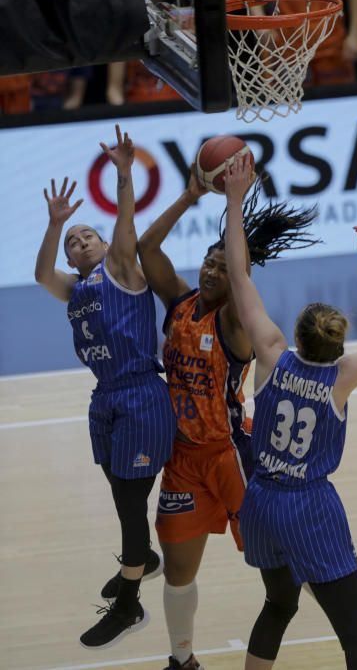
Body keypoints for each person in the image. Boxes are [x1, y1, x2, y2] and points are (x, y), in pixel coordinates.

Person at [110, 167, 318, 670]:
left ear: (236, 277)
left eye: (223, 268)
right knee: (180, 568)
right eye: (208, 262)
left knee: (284, 563)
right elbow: (147, 250)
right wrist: (187, 195)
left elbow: (239, 273)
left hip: (232, 456)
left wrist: (233, 206)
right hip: (182, 459)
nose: (210, 271)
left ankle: (350, 620)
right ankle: (182, 661)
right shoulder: (181, 305)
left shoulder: (234, 320)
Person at [224, 153, 357, 669]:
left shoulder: (270, 355)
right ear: (336, 347)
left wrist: (235, 199)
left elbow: (238, 274)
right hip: (310, 509)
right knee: (355, 632)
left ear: (298, 336)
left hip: (260, 500)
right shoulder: (342, 378)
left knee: (279, 604)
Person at [34, 125, 175, 649]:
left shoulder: (122, 267)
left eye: (84, 234)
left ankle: (129, 604)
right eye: (74, 242)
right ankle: (143, 560)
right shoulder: (72, 286)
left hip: (141, 395)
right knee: (122, 497)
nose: (79, 241)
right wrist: (55, 224)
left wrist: (122, 173)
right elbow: (42, 272)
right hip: (107, 400)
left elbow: (125, 220)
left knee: (129, 504)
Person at [249, 0, 357, 86]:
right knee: (287, 101)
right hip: (287, 48)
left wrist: (355, 34)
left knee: (341, 100)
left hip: (332, 44)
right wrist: (262, 26)